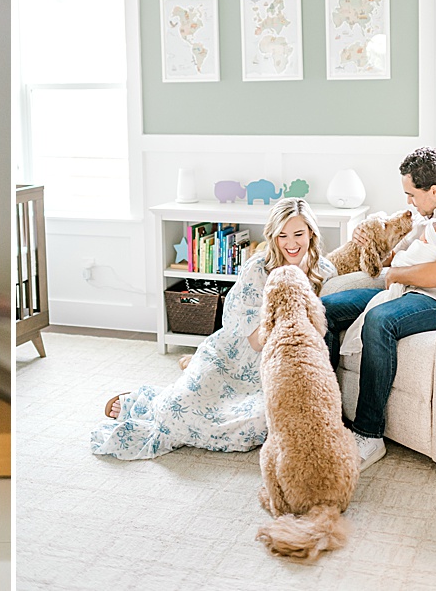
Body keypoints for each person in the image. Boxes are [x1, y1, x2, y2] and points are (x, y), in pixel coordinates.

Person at [91, 197, 336, 460]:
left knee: (254, 426)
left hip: (274, 368)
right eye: (282, 235)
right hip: (233, 357)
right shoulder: (258, 267)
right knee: (179, 408)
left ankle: (170, 390)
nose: (291, 243)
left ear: (311, 232)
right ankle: (149, 400)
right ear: (273, 236)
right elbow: (254, 340)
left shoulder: (325, 272)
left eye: (298, 234)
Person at [319, 148, 436, 472]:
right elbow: (388, 260)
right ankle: (325, 415)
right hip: (406, 291)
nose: (409, 202)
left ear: (433, 191)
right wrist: (365, 240)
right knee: (322, 309)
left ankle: (369, 434)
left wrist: (397, 274)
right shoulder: (424, 220)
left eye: (411, 194)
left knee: (380, 319)